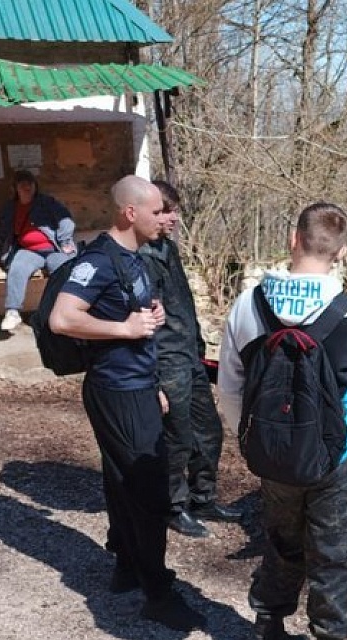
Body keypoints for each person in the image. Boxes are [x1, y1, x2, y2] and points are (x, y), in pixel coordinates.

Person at [218, 201, 347, 640]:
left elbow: (230, 385)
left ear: (293, 239)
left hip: (272, 455)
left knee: (281, 540)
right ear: (342, 253)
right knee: (339, 550)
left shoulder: (248, 304)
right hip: (338, 453)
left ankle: (263, 637)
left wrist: (255, 442)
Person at [47, 175, 201, 632]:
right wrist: (125, 329)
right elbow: (62, 318)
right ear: (130, 213)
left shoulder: (134, 259)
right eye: (156, 211)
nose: (165, 218)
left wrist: (148, 329)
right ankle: (158, 593)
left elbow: (131, 316)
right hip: (116, 391)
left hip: (137, 386)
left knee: (121, 482)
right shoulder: (98, 261)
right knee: (149, 489)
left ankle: (127, 566)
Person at [138, 180, 237, 540]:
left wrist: (198, 346)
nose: (173, 218)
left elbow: (182, 306)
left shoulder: (168, 249)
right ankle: (173, 506)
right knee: (177, 438)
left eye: (174, 211)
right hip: (166, 362)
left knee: (209, 431)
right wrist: (153, 380)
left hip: (190, 356)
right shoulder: (139, 259)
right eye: (166, 211)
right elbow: (143, 324)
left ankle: (203, 497)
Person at [0, 169, 77, 332]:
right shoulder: (11, 208)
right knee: (17, 268)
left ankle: (67, 311)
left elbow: (66, 221)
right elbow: (0, 232)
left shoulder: (47, 203)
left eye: (29, 183)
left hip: (53, 249)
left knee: (64, 270)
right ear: (15, 188)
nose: (26, 187)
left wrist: (65, 242)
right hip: (28, 250)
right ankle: (13, 312)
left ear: (35, 186)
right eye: (22, 184)